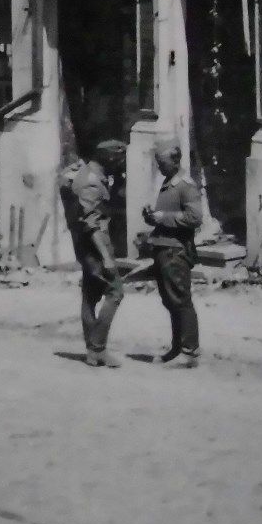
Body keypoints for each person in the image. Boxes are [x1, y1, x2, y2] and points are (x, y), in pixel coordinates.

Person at [60, 139, 127, 368]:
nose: (121, 163)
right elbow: (91, 223)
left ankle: (92, 352)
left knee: (89, 294)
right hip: (93, 245)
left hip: (85, 244)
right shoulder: (90, 182)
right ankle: (98, 347)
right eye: (119, 159)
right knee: (115, 292)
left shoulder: (89, 175)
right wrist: (106, 258)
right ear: (108, 158)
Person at [142, 138, 204, 367]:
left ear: (175, 160)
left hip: (175, 251)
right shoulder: (169, 182)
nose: (159, 166)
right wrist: (151, 217)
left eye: (162, 162)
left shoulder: (186, 185)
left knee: (180, 299)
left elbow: (195, 218)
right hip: (163, 248)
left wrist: (164, 218)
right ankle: (177, 347)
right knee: (170, 300)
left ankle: (190, 352)